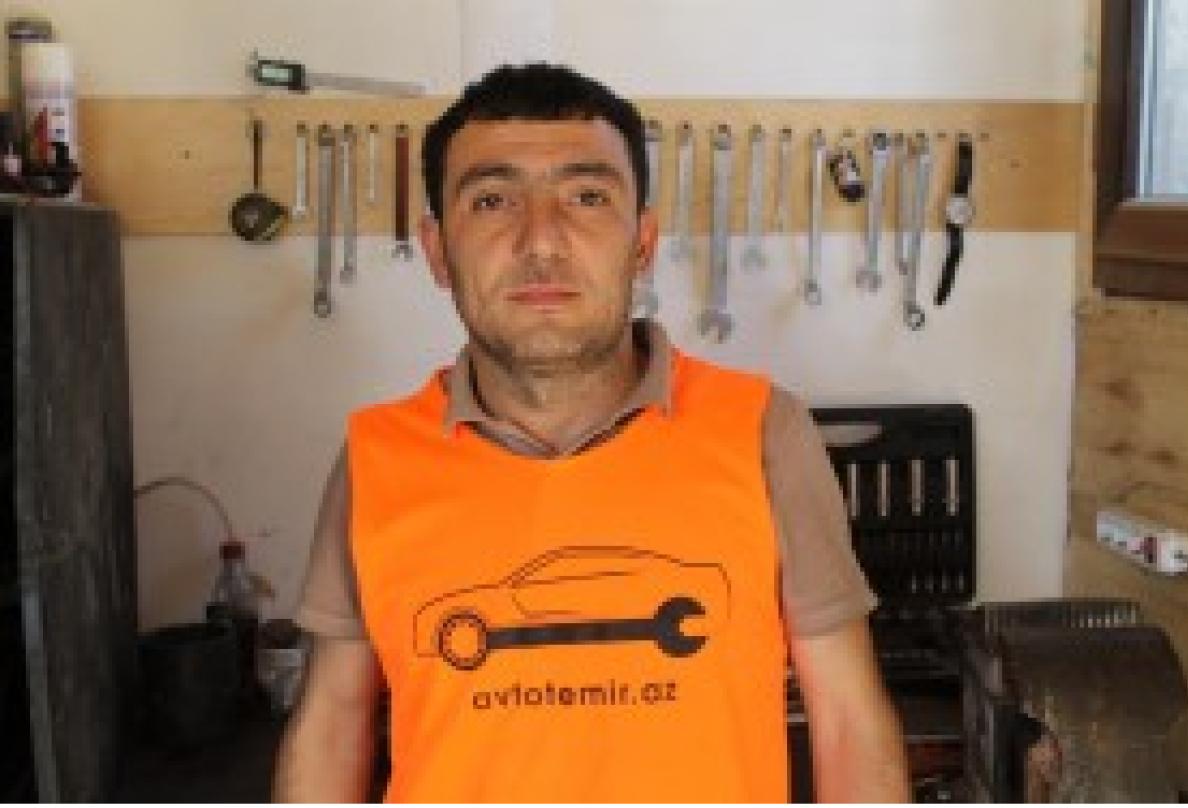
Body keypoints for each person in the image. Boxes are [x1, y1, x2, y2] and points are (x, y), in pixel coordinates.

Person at [273, 62, 907, 803]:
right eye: (492, 200)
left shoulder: (764, 431)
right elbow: (331, 726)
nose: (542, 240)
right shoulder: (375, 457)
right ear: (439, 251)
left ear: (642, 241)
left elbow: (848, 724)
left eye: (587, 197)